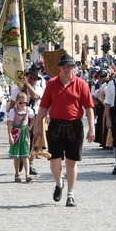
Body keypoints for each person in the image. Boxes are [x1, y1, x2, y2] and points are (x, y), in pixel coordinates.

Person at [36, 57, 92, 207]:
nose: (66, 69)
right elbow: (43, 106)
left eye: (69, 66)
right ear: (59, 68)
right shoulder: (52, 84)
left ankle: (71, 194)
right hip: (55, 125)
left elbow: (88, 107)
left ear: (73, 67)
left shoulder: (81, 84)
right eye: (63, 67)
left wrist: (91, 128)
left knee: (71, 162)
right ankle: (58, 182)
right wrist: (36, 125)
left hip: (74, 126)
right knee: (54, 160)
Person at [5, 88, 33, 182]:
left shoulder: (28, 110)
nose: (22, 105)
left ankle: (27, 174)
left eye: (24, 102)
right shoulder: (13, 111)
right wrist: (10, 137)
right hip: (16, 133)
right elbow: (9, 124)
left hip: (24, 133)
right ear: (16, 102)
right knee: (16, 155)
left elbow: (34, 118)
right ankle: (17, 174)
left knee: (25, 155)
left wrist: (30, 126)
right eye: (20, 102)